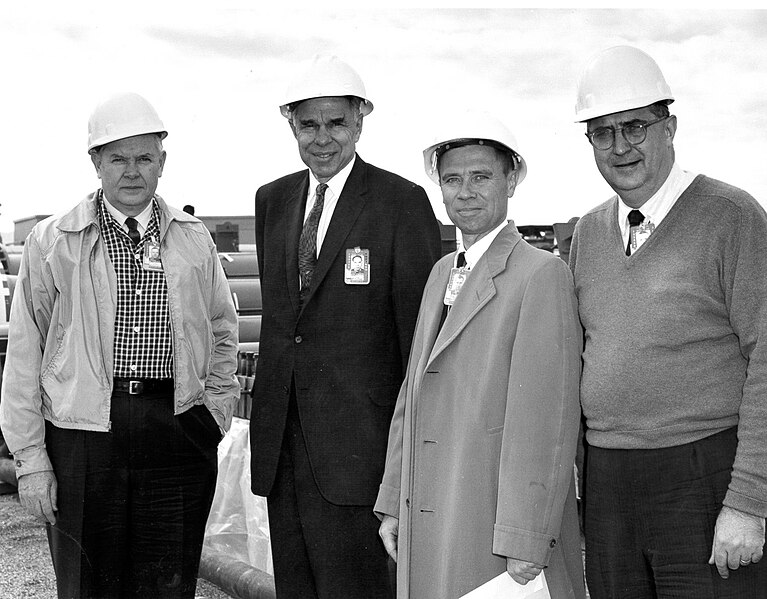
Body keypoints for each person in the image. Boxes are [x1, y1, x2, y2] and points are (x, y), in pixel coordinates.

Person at [0, 91, 240, 598]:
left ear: (162, 162)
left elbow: (222, 329)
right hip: (84, 434)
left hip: (176, 427)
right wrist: (32, 461)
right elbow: (24, 353)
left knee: (168, 584)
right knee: (89, 584)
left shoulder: (194, 239)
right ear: (96, 163)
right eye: (118, 159)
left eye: (144, 158)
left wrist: (215, 412)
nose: (132, 171)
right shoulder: (53, 241)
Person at [570, 45, 767, 598]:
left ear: (670, 127)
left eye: (634, 126)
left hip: (702, 478)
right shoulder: (587, 234)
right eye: (601, 132)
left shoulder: (732, 218)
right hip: (609, 490)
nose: (620, 146)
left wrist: (748, 502)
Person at [250, 55, 442, 599]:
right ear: (291, 124)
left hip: (361, 459)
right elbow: (286, 324)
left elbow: (419, 340)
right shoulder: (273, 200)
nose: (322, 139)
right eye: (308, 124)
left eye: (337, 123)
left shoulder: (400, 203)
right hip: (284, 452)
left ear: (361, 121)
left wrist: (408, 462)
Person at [375, 110, 586, 599]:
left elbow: (546, 421)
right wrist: (391, 501)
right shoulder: (440, 273)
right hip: (428, 506)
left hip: (492, 525)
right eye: (452, 179)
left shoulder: (540, 275)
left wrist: (528, 537)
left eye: (480, 177)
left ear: (511, 180)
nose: (464, 192)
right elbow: (412, 395)